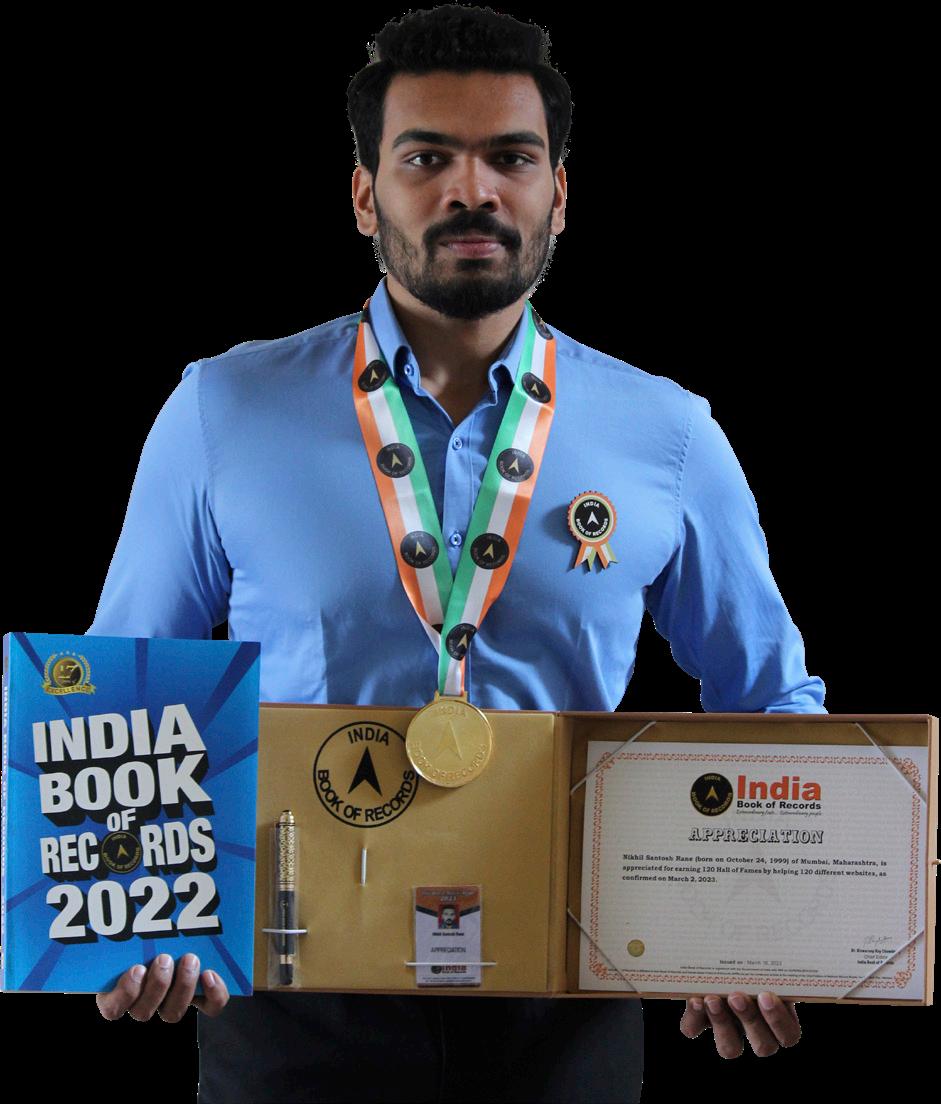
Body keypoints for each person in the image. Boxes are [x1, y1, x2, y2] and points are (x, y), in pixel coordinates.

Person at [90, 5, 817, 1101]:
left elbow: (767, 702)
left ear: (557, 194)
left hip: (565, 999)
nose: (470, 190)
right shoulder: (220, 409)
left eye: (509, 158)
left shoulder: (668, 434)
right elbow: (123, 686)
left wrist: (760, 923)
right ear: (363, 194)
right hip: (288, 990)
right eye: (426, 157)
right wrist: (129, 915)